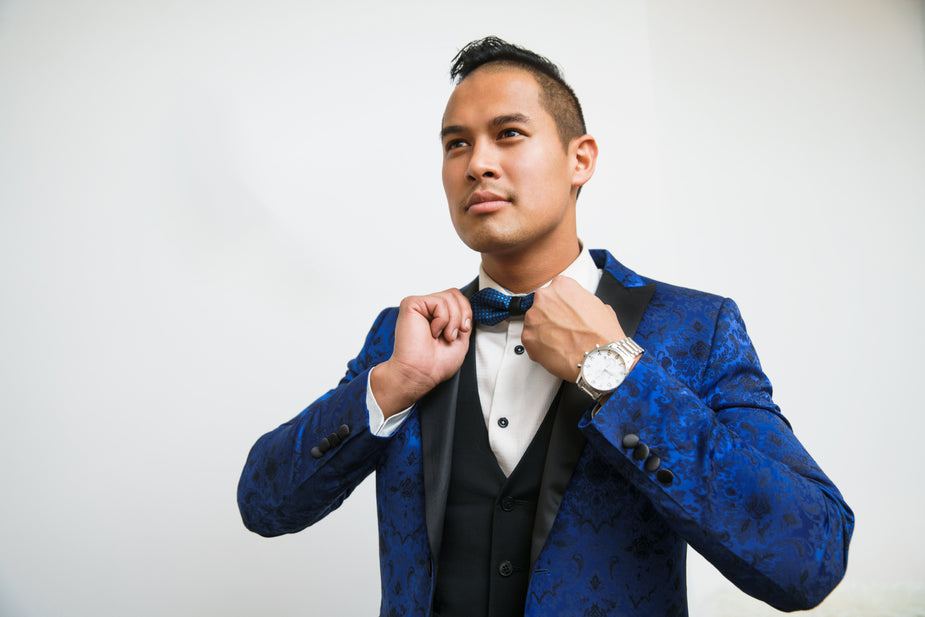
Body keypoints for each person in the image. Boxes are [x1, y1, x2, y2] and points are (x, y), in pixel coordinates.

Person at [236, 36, 854, 617]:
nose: (478, 163)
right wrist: (393, 384)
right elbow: (263, 505)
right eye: (456, 144)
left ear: (579, 159)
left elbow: (811, 557)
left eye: (508, 134)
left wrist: (614, 372)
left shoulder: (696, 327)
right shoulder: (405, 335)